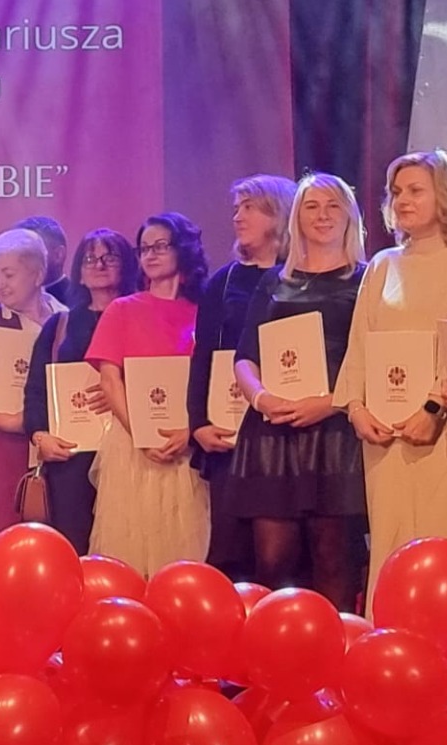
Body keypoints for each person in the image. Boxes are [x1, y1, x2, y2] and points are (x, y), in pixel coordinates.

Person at [336, 152, 447, 602]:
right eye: (396, 192)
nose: (402, 200)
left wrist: (432, 410)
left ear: (445, 195)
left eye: (415, 190)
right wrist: (355, 408)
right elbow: (360, 342)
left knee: (443, 546)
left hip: (446, 432)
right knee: (390, 547)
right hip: (383, 435)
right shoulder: (382, 265)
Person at [228, 174, 369, 611]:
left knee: (333, 558)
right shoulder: (273, 281)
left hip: (336, 434)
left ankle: (340, 646)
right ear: (296, 217)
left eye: (332, 205)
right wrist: (261, 399)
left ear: (350, 216)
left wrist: (329, 403)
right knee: (272, 561)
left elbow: (372, 360)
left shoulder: (367, 280)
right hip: (273, 434)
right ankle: (274, 647)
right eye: (311, 206)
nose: (322, 215)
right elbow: (244, 357)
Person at [86, 214, 211, 576]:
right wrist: (141, 435)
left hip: (185, 446)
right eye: (144, 249)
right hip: (131, 446)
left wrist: (189, 431)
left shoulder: (203, 313)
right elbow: (110, 381)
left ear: (183, 250)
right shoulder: (122, 309)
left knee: (182, 553)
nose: (151, 255)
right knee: (127, 552)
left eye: (160, 246)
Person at [188, 175, 296, 580]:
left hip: (286, 430)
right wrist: (198, 423)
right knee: (230, 551)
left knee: (283, 555)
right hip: (229, 430)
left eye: (249, 207)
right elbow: (202, 354)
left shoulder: (299, 278)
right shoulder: (224, 281)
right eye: (236, 208)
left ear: (278, 213)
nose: (237, 216)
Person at [0, 229, 69, 584]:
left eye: (9, 274)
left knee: (54, 541)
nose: (1, 284)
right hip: (2, 448)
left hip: (58, 447)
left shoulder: (66, 319)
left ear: (37, 273)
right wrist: (3, 418)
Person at [20, 229, 139, 554]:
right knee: (73, 549)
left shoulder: (142, 318)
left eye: (109, 257)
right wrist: (40, 437)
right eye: (89, 258)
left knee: (127, 548)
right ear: (79, 272)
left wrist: (119, 393)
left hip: (131, 450)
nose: (99, 264)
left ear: (127, 265)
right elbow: (35, 392)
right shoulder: (59, 325)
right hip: (71, 457)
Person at [16, 215, 87, 310]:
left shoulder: (82, 302)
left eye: (31, 252)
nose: (21, 260)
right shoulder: (8, 302)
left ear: (58, 255)